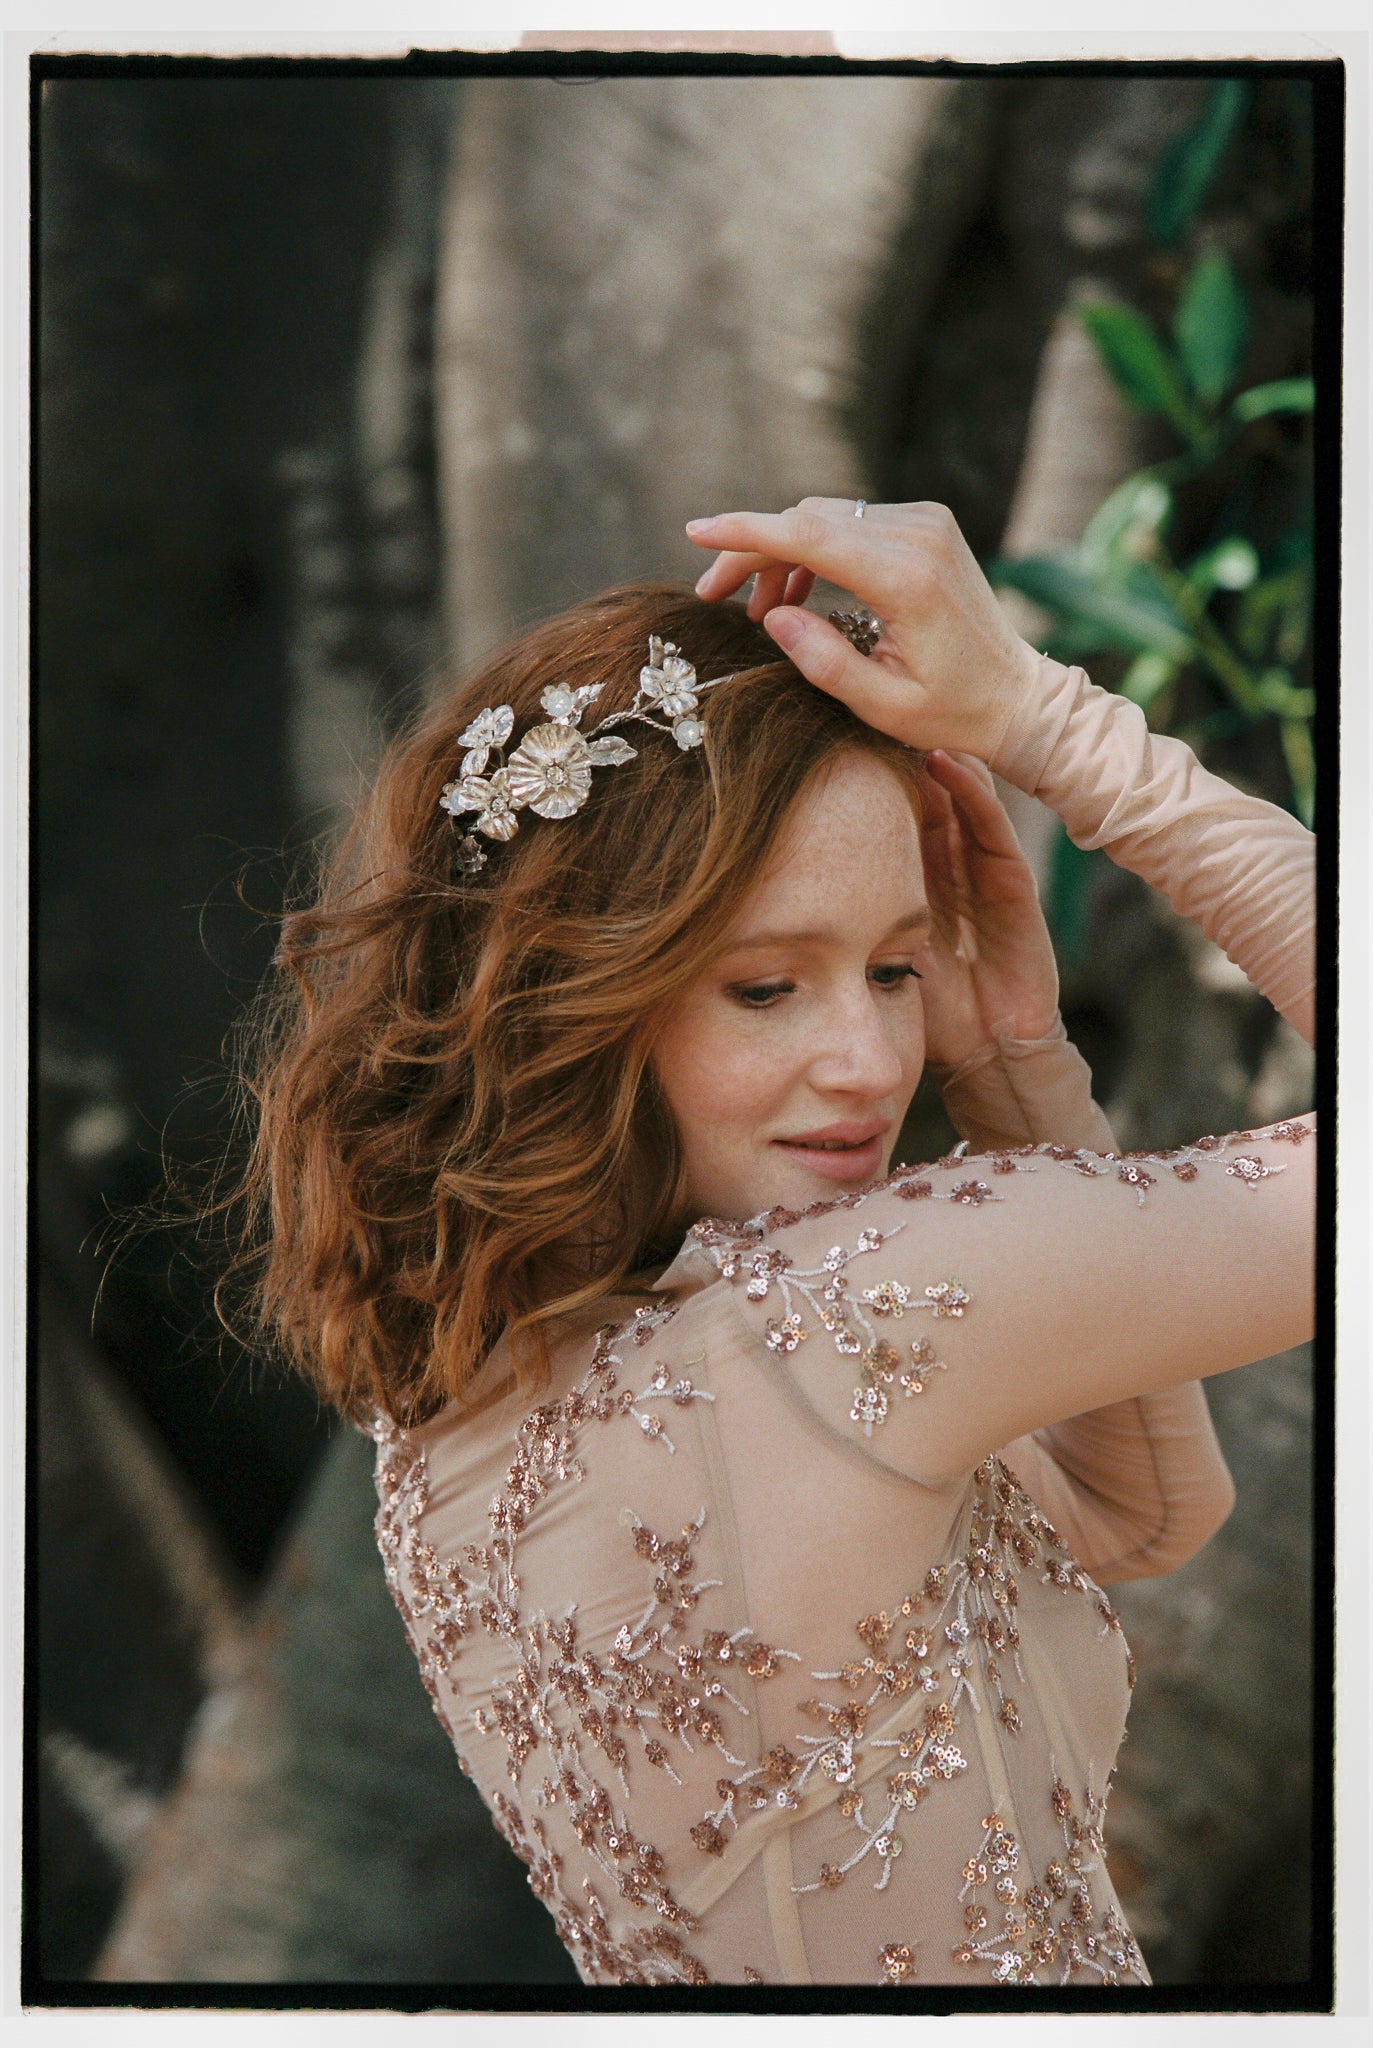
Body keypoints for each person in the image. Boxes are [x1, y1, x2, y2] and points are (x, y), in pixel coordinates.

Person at [235, 498, 1314, 1988]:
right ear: (574, 996)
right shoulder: (859, 1313)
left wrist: (1009, 1060)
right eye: (764, 988)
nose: (872, 1061)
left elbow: (1141, 1518)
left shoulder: (449, 1421)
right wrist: (1045, 721)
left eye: (889, 968)